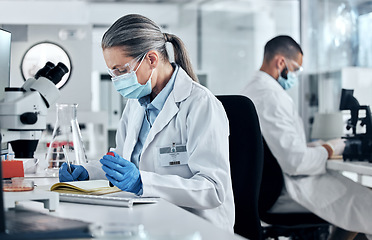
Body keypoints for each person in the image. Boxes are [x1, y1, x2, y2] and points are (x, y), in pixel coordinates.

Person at [58, 14, 235, 232]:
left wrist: (142, 182)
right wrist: (87, 172)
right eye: (112, 72)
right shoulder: (136, 104)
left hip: (196, 228)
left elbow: (213, 189)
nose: (117, 80)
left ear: (151, 59)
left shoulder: (200, 104)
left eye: (121, 70)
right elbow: (123, 163)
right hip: (149, 219)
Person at [241, 35, 372, 239]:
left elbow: (272, 148)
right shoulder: (271, 96)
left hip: (266, 189)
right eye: (296, 69)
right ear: (281, 62)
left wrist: (313, 147)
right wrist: (331, 148)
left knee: (360, 198)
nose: (295, 76)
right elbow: (296, 162)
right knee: (366, 203)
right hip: (285, 191)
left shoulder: (251, 89)